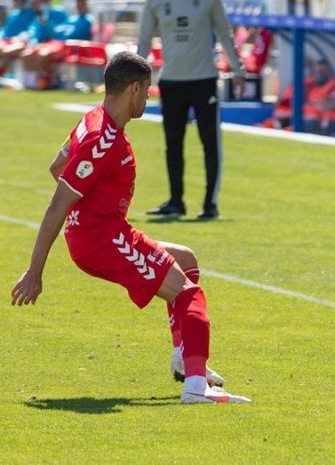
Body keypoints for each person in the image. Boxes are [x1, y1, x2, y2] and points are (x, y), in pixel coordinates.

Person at [10, 52, 250, 404]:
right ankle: (197, 387)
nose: (150, 96)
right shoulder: (101, 139)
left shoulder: (91, 120)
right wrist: (35, 270)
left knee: (185, 259)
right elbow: (57, 203)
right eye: (148, 89)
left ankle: (185, 359)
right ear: (134, 89)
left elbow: (57, 165)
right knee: (188, 294)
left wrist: (92, 205)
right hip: (101, 238)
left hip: (104, 230)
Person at [137, 0, 246, 220]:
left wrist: (238, 69)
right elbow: (144, 41)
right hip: (172, 80)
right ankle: (176, 201)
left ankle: (210, 204)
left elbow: (225, 33)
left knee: (209, 141)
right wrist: (136, 77)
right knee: (173, 143)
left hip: (204, 79)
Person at [21, 0, 95, 83]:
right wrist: (46, 24)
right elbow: (55, 32)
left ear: (86, 4)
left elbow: (73, 35)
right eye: (78, 3)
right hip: (54, 43)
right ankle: (31, 82)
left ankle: (42, 81)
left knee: (42, 55)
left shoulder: (88, 20)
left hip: (68, 47)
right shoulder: (72, 19)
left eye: (82, 3)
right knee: (26, 54)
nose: (79, 6)